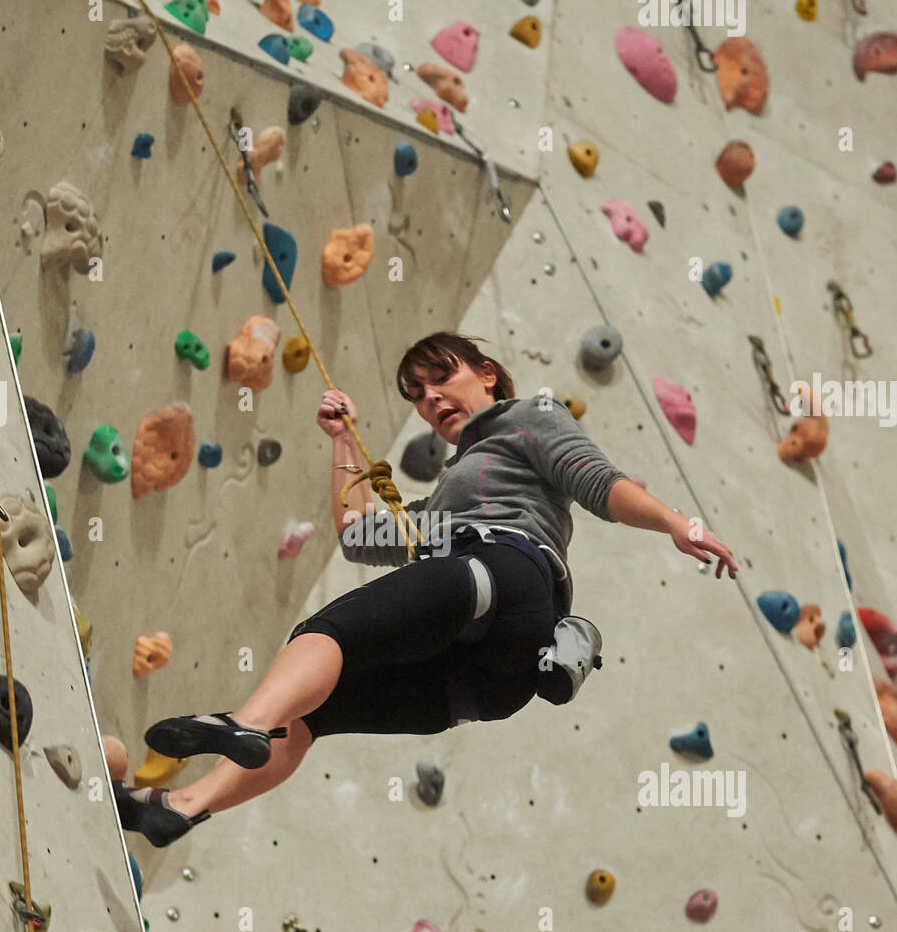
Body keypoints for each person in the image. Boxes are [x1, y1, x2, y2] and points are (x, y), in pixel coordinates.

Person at [113, 332, 738, 845]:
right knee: (309, 713)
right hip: (489, 681)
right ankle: (183, 805)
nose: (432, 398)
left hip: (511, 575)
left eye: (444, 378)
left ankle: (245, 722)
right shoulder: (443, 506)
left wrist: (678, 524)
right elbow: (361, 535)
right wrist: (342, 443)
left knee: (325, 634)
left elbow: (595, 481)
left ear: (488, 374)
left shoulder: (527, 417)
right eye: (418, 395)